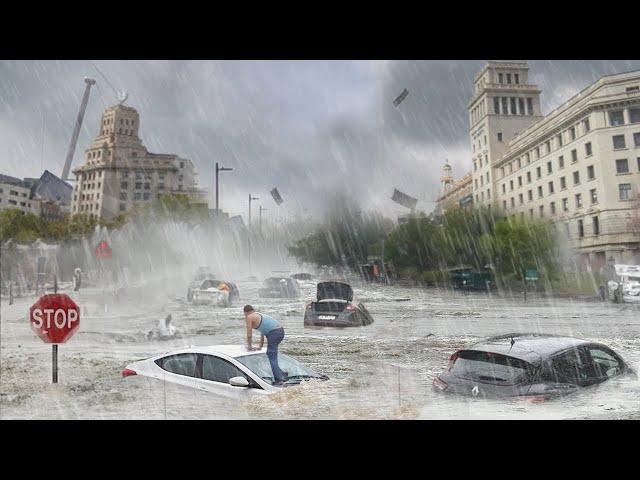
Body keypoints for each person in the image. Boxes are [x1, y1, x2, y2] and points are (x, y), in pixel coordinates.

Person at [243, 305, 287, 385]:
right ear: (253, 310)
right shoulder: (258, 315)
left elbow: (249, 334)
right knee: (271, 354)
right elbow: (263, 331)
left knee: (271, 354)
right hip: (280, 331)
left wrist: (249, 346)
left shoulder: (249, 317)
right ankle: (282, 373)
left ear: (245, 312)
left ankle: (279, 379)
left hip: (274, 333)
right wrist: (260, 346)